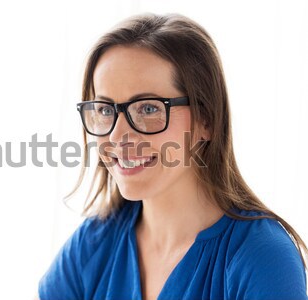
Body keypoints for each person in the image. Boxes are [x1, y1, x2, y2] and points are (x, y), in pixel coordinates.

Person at [37, 13, 308, 300]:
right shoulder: (93, 244)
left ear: (207, 121)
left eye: (149, 109)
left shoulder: (262, 257)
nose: (117, 137)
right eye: (105, 110)